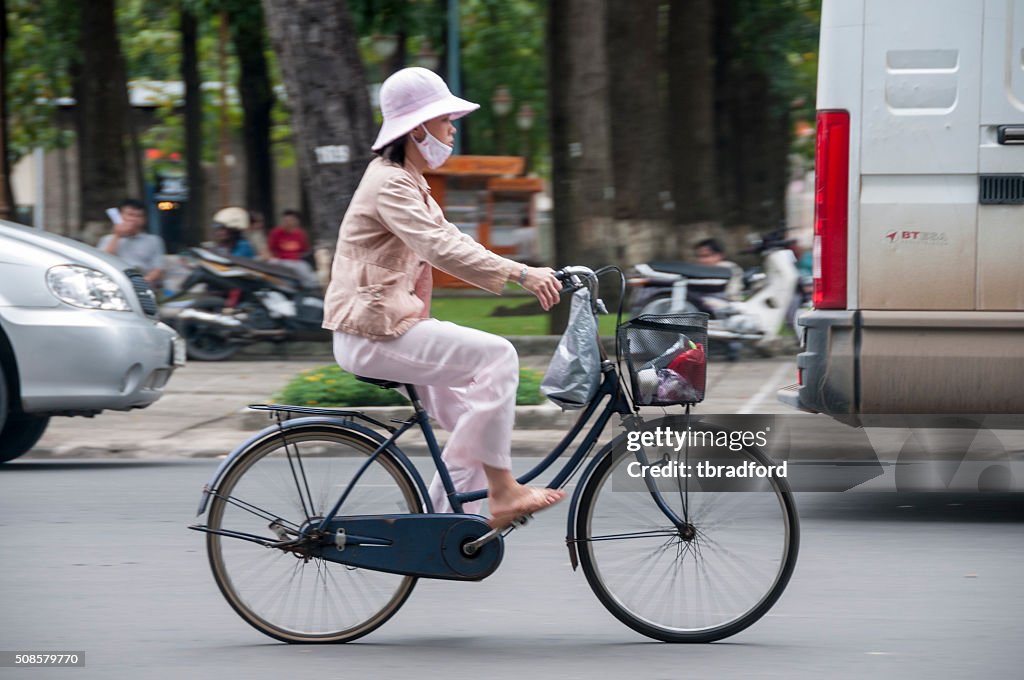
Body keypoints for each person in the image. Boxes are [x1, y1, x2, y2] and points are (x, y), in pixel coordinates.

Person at [323, 67, 565, 528]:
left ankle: (449, 527)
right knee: (500, 357)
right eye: (446, 120)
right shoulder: (390, 182)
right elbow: (439, 248)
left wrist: (525, 270)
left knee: (478, 419)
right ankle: (502, 492)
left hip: (394, 326)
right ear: (417, 129)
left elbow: (453, 239)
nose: (452, 129)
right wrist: (519, 273)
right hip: (374, 333)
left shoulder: (408, 180)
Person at [98, 198, 166, 286]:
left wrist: (144, 281)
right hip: (115, 283)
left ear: (144, 219)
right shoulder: (107, 239)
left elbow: (158, 268)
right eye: (130, 215)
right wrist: (117, 235)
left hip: (143, 282)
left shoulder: (154, 240)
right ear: (120, 216)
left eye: (138, 216)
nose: (133, 219)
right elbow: (103, 261)